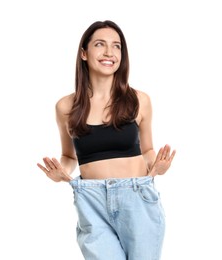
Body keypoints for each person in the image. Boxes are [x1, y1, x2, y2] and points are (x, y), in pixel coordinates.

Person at [37, 20, 176, 260]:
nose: (109, 53)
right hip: (91, 201)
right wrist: (61, 172)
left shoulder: (139, 100)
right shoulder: (66, 106)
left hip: (138, 199)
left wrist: (158, 168)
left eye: (117, 46)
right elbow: (70, 156)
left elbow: (148, 149)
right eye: (100, 44)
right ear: (83, 52)